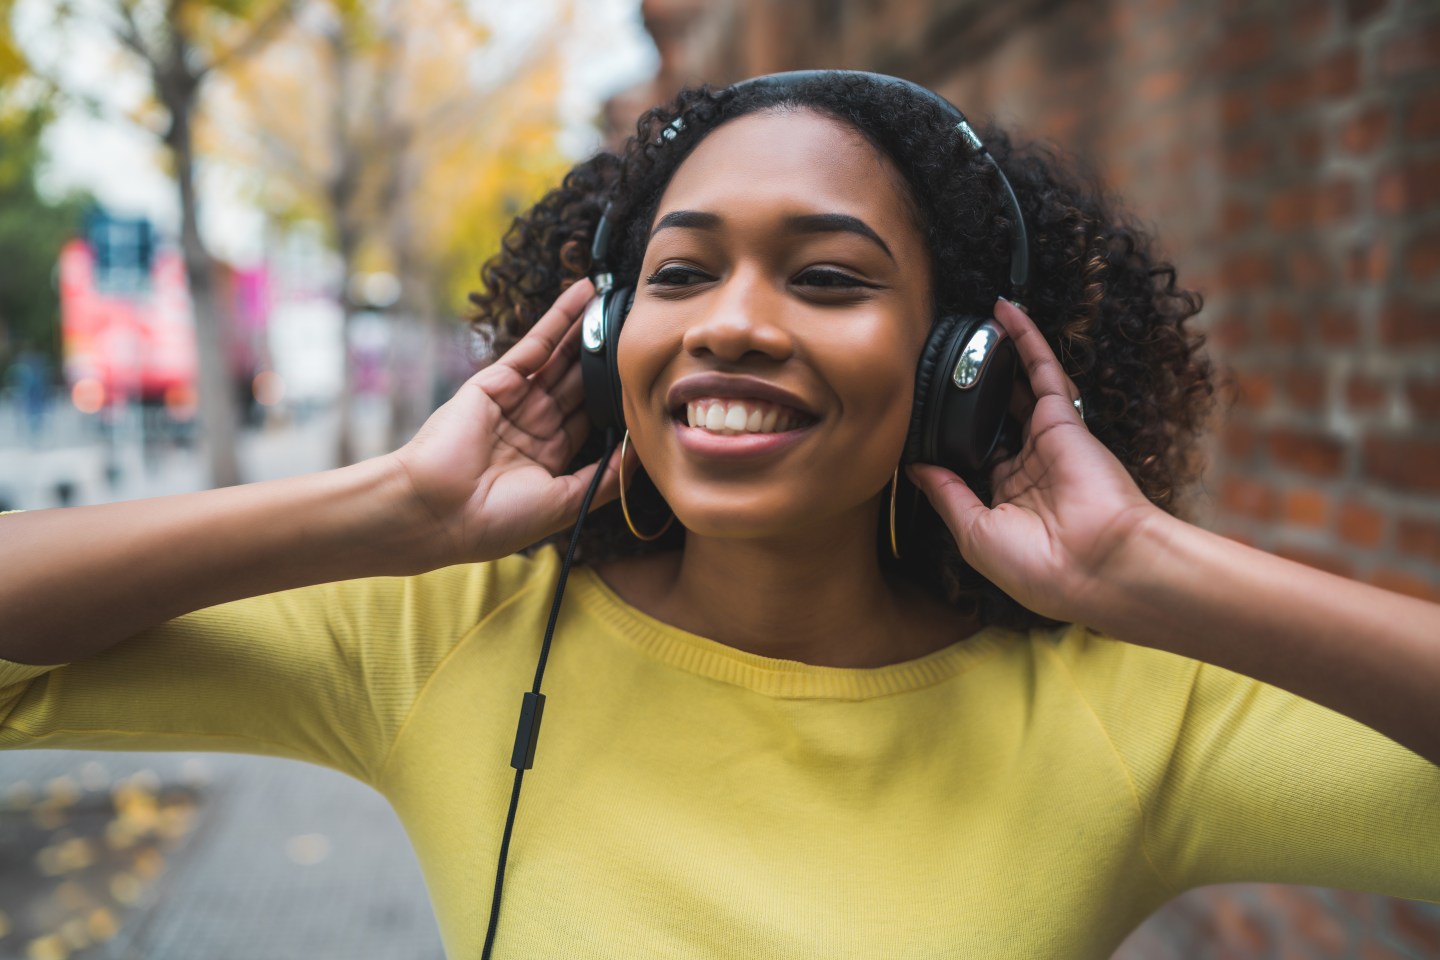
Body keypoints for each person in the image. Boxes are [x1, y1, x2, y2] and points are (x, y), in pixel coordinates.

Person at [1, 72, 1437, 960]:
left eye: (827, 279)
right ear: (608, 333)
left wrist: (1152, 570)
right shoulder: (458, 636)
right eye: (682, 275)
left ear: (962, 367)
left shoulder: (1129, 718)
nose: (732, 327)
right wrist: (380, 507)